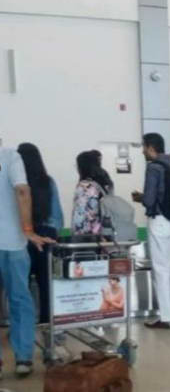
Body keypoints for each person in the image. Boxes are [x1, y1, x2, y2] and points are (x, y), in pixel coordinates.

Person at [0, 145, 55, 378]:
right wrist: (28, 230)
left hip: (12, 242)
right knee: (20, 299)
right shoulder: (10, 157)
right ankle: (23, 358)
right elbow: (22, 191)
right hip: (13, 242)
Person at [132, 133, 170, 330]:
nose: (143, 151)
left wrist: (140, 198)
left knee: (160, 269)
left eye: (144, 147)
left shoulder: (153, 167)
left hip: (161, 221)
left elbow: (149, 200)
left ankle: (165, 317)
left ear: (151, 148)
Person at [17, 143, 64, 324]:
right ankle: (47, 322)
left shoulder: (18, 184)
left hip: (23, 234)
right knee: (46, 282)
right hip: (47, 234)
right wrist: (54, 234)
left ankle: (24, 323)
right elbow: (57, 214)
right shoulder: (48, 181)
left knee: (22, 284)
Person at [72, 151, 107, 237]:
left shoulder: (84, 186)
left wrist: (76, 234)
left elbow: (80, 214)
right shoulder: (100, 185)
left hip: (85, 234)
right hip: (100, 232)